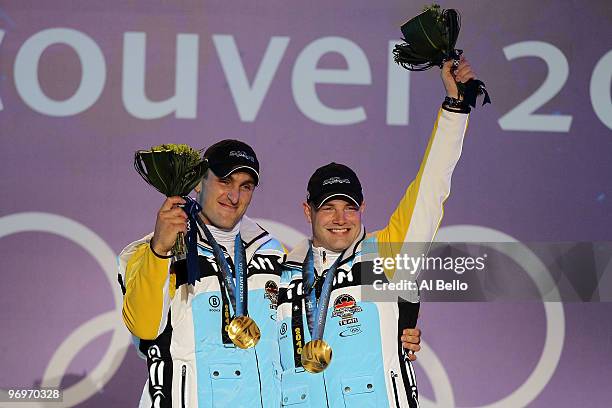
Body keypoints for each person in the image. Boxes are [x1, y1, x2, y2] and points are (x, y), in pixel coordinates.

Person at [118, 139, 425, 407]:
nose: (233, 195)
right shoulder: (153, 252)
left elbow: (318, 312)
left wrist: (399, 326)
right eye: (225, 181)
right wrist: (160, 250)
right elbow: (144, 327)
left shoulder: (273, 254)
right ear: (199, 182)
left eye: (245, 186)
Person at [277, 57, 476, 407]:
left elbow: (430, 188)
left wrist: (455, 107)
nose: (341, 218)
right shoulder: (282, 272)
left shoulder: (386, 253)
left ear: (363, 208)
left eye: (349, 206)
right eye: (328, 207)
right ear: (307, 211)